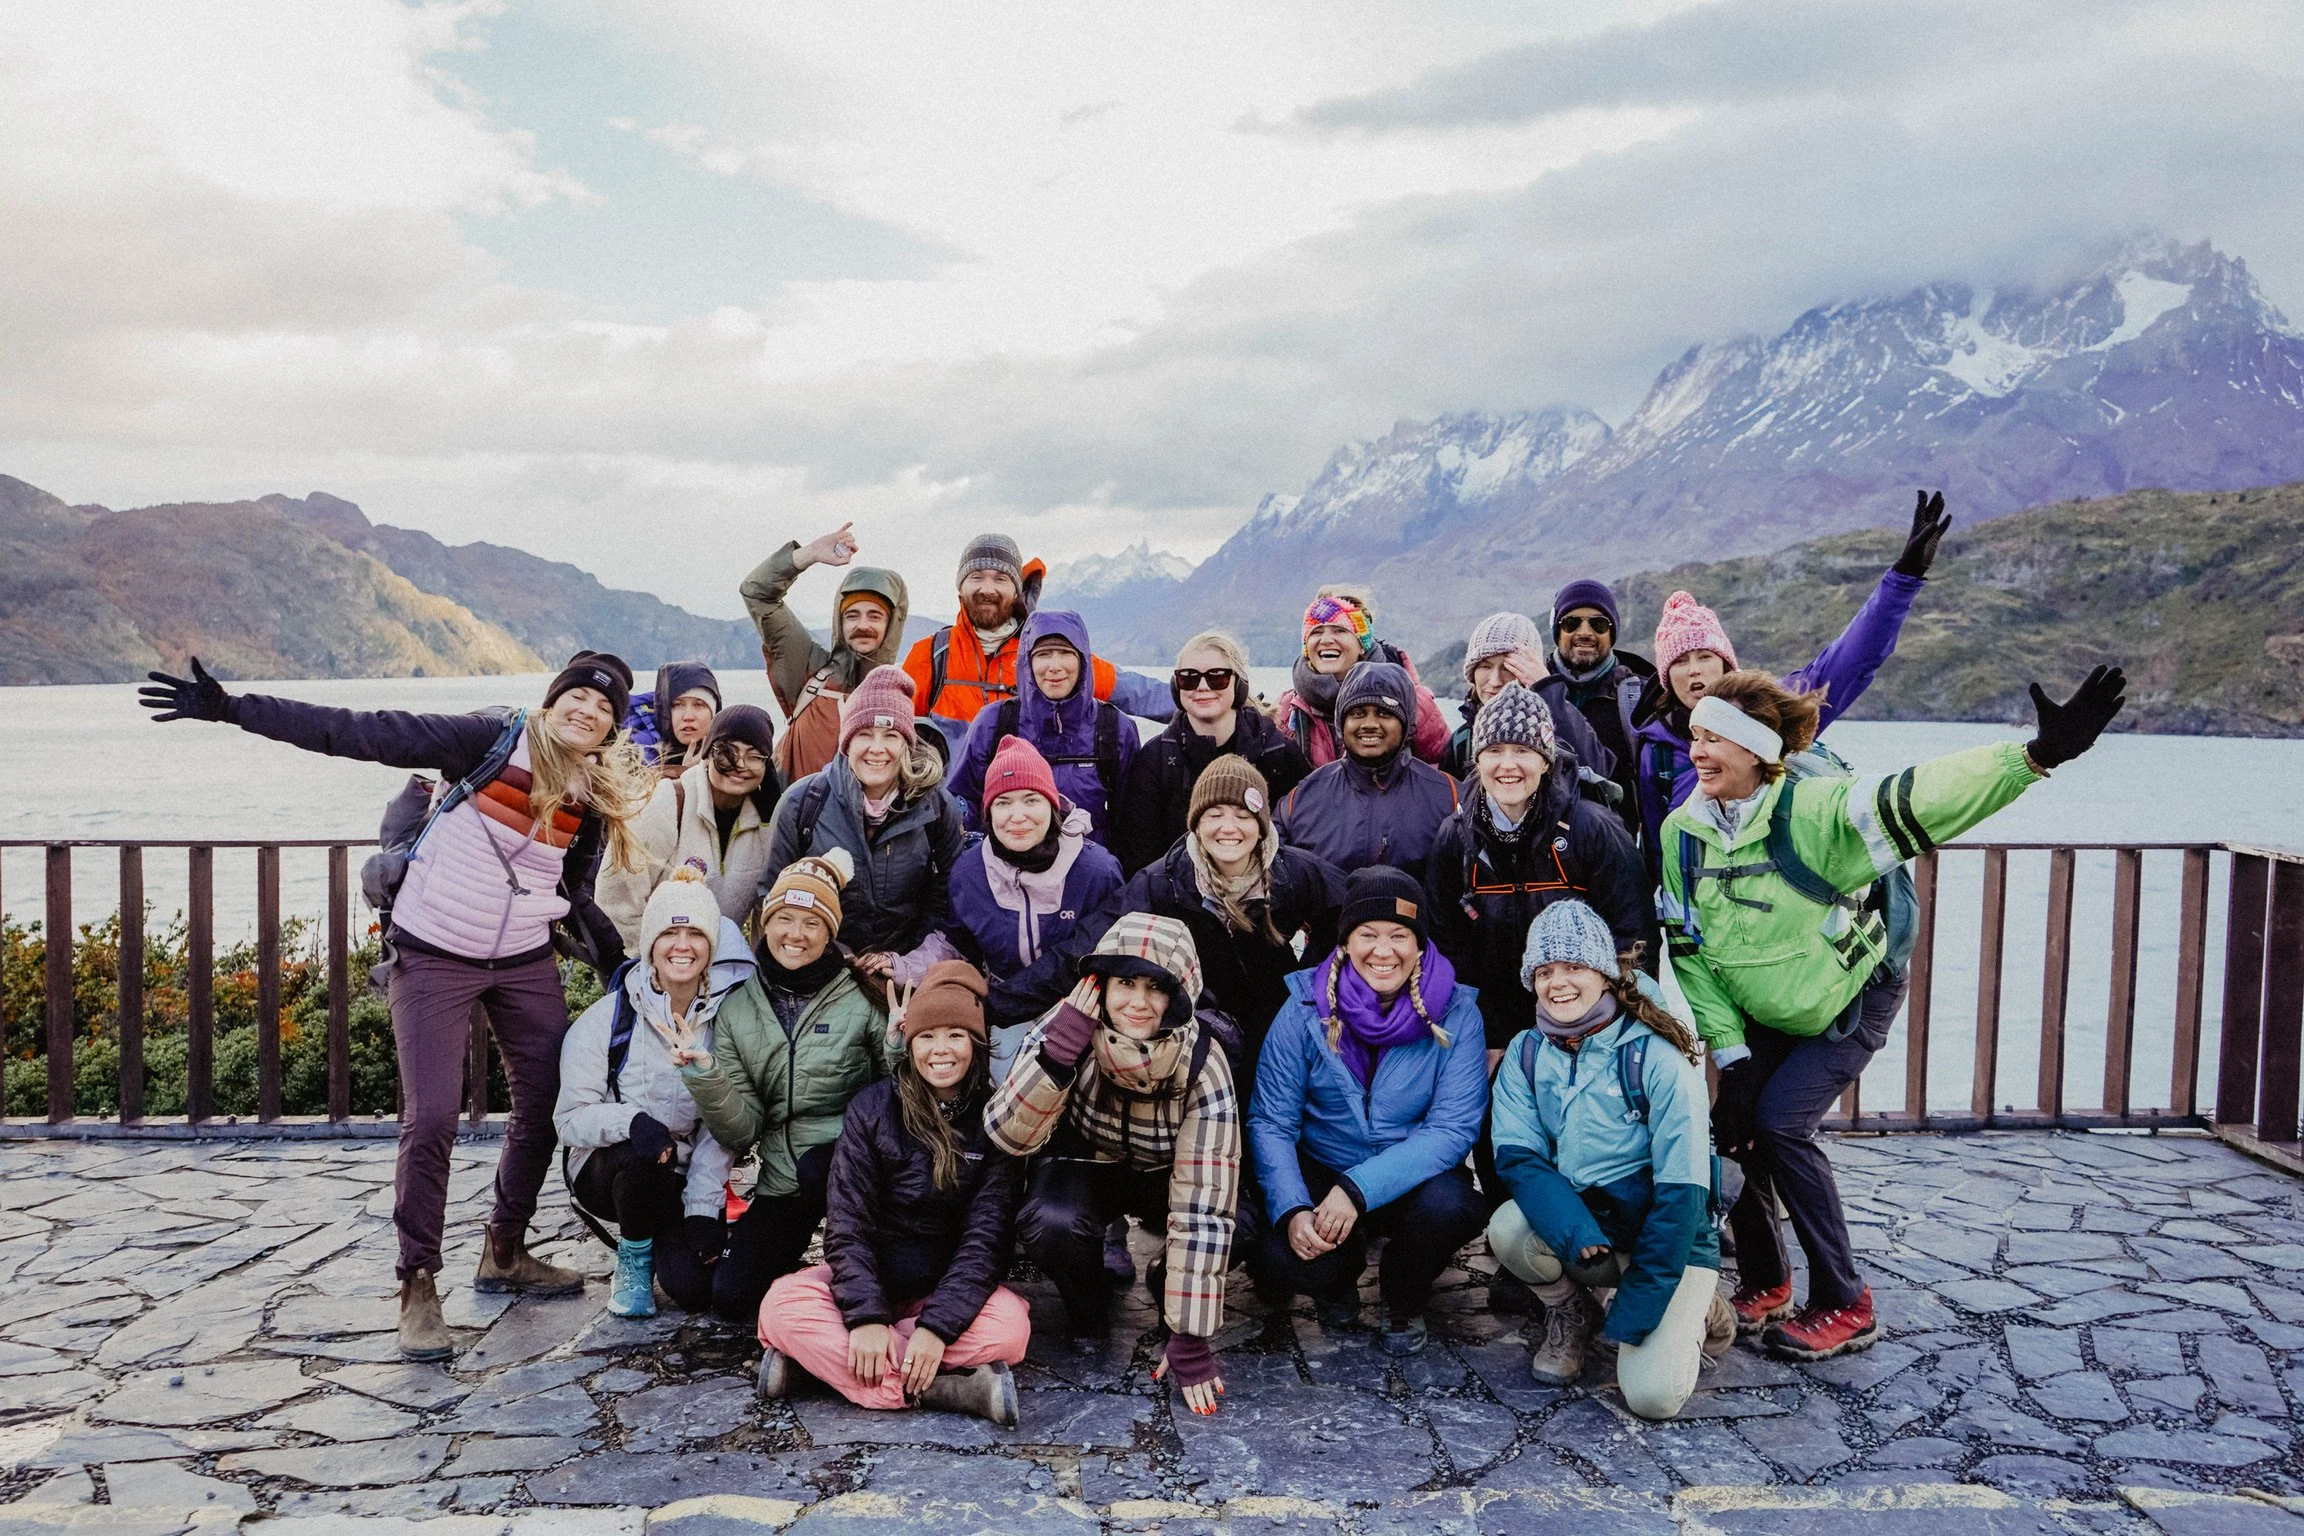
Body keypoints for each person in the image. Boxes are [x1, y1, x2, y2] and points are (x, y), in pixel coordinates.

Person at [142, 653, 648, 1362]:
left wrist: (624, 965)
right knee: (433, 1115)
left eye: (605, 710)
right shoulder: (485, 741)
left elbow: (573, 889)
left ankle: (504, 1249)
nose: (588, 712)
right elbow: (361, 730)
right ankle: (417, 1285)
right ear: (553, 699)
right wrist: (233, 707)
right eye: (577, 698)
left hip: (524, 960)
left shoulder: (588, 795)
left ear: (611, 730)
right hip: (436, 951)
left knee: (547, 1104)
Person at [1662, 663, 2126, 1360]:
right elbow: (1689, 950)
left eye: (1715, 739)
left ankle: (1847, 1303)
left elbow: (1922, 795)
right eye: (1694, 736)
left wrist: (2034, 757)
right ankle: (1767, 1282)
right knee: (1736, 1130)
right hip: (1762, 1006)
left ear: (1759, 752)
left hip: (1850, 996)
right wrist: (1730, 1050)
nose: (1698, 751)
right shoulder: (1684, 834)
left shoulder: (1818, 812)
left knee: (1783, 1126)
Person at [1485, 901, 1735, 1417]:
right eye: (1545, 971)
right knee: (1508, 1229)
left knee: (1652, 1397)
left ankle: (1700, 1304)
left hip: (1669, 1236)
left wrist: (1638, 1310)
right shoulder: (1526, 1053)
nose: (1559, 983)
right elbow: (1518, 1157)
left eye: (1574, 967)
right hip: (1594, 1228)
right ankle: (1572, 1313)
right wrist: (1574, 1230)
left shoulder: (1659, 1059)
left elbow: (1682, 1199)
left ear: (1604, 973)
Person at [987, 915, 1241, 1418]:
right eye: (1124, 983)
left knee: (1242, 1227)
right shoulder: (1068, 1024)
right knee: (1050, 1221)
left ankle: (1167, 1280)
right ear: (1100, 985)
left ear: (1181, 993)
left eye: (1156, 988)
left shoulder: (1204, 1060)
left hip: (1167, 1174)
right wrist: (1059, 1056)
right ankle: (1088, 1304)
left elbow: (1205, 1199)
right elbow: (1006, 1133)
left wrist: (1189, 1335)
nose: (1137, 1003)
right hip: (1091, 1161)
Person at [758, 961, 1030, 1425]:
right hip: (870, 1281)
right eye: (927, 1036)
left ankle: (820, 1372)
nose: (940, 1050)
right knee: (781, 1306)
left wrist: (937, 1327)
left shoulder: (996, 1118)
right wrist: (866, 1317)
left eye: (955, 1036)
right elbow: (846, 1224)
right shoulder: (872, 1108)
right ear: (910, 1043)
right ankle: (948, 1390)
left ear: (976, 1044)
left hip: (945, 1289)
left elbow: (987, 1239)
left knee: (1011, 1328)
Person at [1628, 490, 1951, 867]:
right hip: (1705, 912)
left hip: (1779, 903)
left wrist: (1903, 579)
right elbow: (1657, 849)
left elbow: (1851, 659)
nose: (1694, 669)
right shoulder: (1656, 747)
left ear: (1725, 665)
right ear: (1667, 676)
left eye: (1704, 656)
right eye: (1680, 661)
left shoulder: (1772, 711)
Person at [1249, 867, 1489, 1356]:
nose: (1384, 951)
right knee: (1277, 1249)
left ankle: (1403, 1297)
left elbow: (1452, 1127)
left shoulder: (1458, 1011)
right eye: (1368, 935)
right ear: (1345, 943)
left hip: (1409, 1169)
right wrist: (1294, 1207)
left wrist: (1358, 1189)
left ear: (1419, 944)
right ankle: (1336, 1280)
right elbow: (1271, 1121)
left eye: (1400, 935)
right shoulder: (1302, 1007)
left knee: (1452, 1208)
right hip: (1325, 1160)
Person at [992, 757, 1343, 1082]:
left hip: (1278, 1022)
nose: (1228, 828)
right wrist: (996, 1006)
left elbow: (1354, 911)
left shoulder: (1294, 873)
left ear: (1261, 824)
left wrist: (1308, 985)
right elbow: (1087, 946)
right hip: (1198, 1027)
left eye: (1242, 815)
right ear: (1196, 823)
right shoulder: (1164, 882)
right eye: (1214, 814)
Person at [680, 849, 897, 1323]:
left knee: (825, 1169)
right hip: (784, 1176)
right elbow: (742, 1131)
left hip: (857, 1167)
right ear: (765, 922)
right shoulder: (739, 1007)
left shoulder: (861, 993)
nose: (795, 934)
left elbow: (899, 1090)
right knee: (732, 1298)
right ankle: (814, 1284)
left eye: (812, 923)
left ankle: (856, 1264)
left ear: (830, 934)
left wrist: (898, 1042)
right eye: (784, 918)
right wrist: (705, 1076)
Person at [555, 872, 751, 1318]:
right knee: (641, 1158)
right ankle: (634, 1255)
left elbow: (721, 1125)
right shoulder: (608, 1019)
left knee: (695, 1290)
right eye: (669, 933)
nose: (682, 945)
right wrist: (632, 1122)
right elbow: (569, 1120)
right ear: (650, 945)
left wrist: (703, 1206)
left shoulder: (728, 1024)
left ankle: (670, 1236)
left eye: (695, 933)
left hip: (680, 1175)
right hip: (611, 1168)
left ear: (712, 947)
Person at [1425, 684, 1652, 1062]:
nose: (1507, 764)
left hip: (1588, 1023)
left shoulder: (1593, 830)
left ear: (1546, 760)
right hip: (1492, 1028)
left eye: (1523, 751)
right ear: (1477, 761)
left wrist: (1615, 1030)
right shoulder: (1456, 836)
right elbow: (1448, 945)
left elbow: (1633, 937)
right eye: (1494, 751)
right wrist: (1485, 1031)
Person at [763, 666, 968, 986]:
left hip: (904, 976)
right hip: (818, 972)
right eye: (864, 734)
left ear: (906, 743)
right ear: (846, 741)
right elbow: (772, 899)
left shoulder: (937, 808)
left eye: (891, 736)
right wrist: (836, 956)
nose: (877, 748)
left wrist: (904, 965)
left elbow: (951, 906)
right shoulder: (802, 804)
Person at [946, 736, 1125, 1078]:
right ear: (988, 812)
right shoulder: (967, 872)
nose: (1017, 816)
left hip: (1084, 1012)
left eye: (1031, 799)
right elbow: (958, 947)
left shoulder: (1097, 871)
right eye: (1003, 802)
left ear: (1053, 805)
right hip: (1004, 1012)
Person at [900, 533, 1171, 750]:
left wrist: (1202, 693)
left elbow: (1135, 692)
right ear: (961, 586)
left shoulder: (1044, 653)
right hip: (951, 815)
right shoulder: (931, 655)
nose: (987, 589)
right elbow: (892, 732)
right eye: (976, 577)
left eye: (1000, 578)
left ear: (1016, 590)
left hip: (1026, 814)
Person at [1109, 631, 1313, 876]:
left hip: (1269, 891)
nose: (1202, 687)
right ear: (1177, 686)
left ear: (1239, 684)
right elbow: (1139, 856)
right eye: (1189, 678)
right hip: (1176, 896)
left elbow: (1304, 840)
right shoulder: (1155, 760)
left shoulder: (1278, 752)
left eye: (1217, 678)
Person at [598, 705, 784, 952]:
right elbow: (616, 901)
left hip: (719, 968)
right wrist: (652, 959)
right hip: (655, 961)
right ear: (707, 753)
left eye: (754, 756)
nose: (740, 764)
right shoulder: (665, 803)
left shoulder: (765, 820)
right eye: (728, 751)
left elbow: (767, 907)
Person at [949, 610, 1138, 847]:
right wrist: (976, 854)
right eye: (1043, 654)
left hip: (1088, 869)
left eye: (1066, 653)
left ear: (1083, 660)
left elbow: (1132, 819)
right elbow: (963, 798)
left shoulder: (1114, 727)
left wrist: (1113, 873)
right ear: (1027, 662)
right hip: (1007, 867)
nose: (1054, 666)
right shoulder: (994, 722)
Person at [741, 525, 911, 783]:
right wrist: (808, 555)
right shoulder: (808, 669)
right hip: (792, 818)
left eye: (874, 616)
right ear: (839, 621)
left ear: (892, 624)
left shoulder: (900, 695)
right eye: (851, 615)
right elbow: (757, 593)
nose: (862, 625)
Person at [1276, 663, 1461, 883]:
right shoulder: (1302, 799)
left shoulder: (1450, 796)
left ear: (1405, 723)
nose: (1370, 724)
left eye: (1384, 713)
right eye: (1357, 713)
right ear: (1341, 723)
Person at [1273, 588, 1451, 768]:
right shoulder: (1288, 709)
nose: (1326, 640)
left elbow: (1443, 770)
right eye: (1317, 632)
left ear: (1362, 645)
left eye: (1339, 631)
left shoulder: (1413, 701)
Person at [1438, 613, 1613, 786]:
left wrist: (1547, 691)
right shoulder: (1461, 742)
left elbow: (1599, 771)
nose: (1495, 681)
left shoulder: (1558, 724)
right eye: (1485, 666)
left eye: (1508, 667)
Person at [1543, 580, 1656, 837]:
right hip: (1545, 856)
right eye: (1571, 623)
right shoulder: (1531, 691)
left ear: (1611, 632)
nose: (1585, 632)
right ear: (1557, 631)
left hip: (1620, 849)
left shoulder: (1642, 697)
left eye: (1598, 623)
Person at [623, 662, 722, 777]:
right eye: (678, 705)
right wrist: (686, 775)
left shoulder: (733, 755)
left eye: (699, 705)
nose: (688, 717)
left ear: (714, 713)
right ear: (665, 712)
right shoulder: (634, 757)